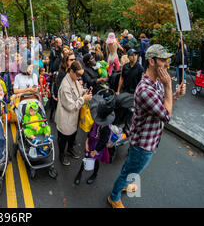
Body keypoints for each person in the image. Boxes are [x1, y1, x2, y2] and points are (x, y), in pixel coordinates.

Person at [107, 44, 187, 208]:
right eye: (163, 60)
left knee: (133, 168)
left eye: (168, 60)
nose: (167, 64)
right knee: (130, 170)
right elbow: (166, 115)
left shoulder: (156, 81)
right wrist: (169, 86)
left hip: (151, 139)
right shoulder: (145, 89)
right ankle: (114, 197)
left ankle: (126, 184)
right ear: (151, 61)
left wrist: (175, 96)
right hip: (143, 144)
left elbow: (163, 103)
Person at [55, 61, 93, 166]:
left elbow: (79, 90)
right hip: (66, 117)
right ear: (71, 71)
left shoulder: (74, 79)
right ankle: (61, 155)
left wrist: (85, 91)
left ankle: (70, 149)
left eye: (82, 74)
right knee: (63, 138)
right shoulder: (65, 85)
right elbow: (71, 106)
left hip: (73, 117)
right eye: (78, 74)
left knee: (72, 135)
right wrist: (84, 98)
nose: (80, 77)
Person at [74, 103, 114, 185]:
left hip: (98, 146)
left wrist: (95, 151)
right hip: (91, 142)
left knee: (96, 160)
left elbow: (103, 141)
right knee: (86, 157)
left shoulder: (106, 128)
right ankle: (80, 173)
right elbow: (91, 130)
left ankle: (94, 174)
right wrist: (86, 141)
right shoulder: (97, 121)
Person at [50, 51, 75, 121]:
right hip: (63, 96)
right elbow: (59, 86)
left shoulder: (72, 70)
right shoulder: (62, 72)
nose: (73, 61)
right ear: (66, 61)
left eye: (74, 59)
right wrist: (56, 96)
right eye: (71, 60)